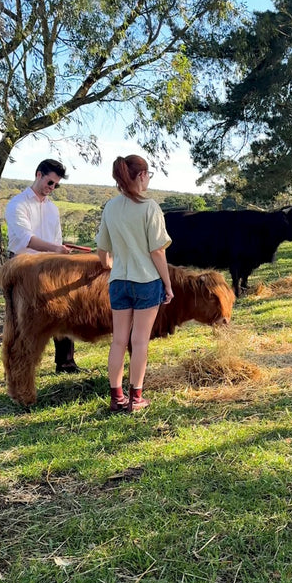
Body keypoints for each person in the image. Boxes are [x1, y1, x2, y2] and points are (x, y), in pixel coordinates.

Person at [96, 154, 173, 413]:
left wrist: (109, 264)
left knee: (118, 340)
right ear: (141, 175)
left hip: (118, 281)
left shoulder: (110, 207)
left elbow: (102, 250)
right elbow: (157, 252)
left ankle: (116, 397)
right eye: (148, 173)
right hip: (146, 281)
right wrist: (168, 284)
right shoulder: (150, 207)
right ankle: (136, 397)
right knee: (139, 342)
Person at [4, 158, 80, 374]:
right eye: (49, 183)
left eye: (56, 185)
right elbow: (26, 239)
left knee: (63, 312)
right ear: (38, 175)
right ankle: (19, 367)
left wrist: (60, 254)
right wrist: (56, 249)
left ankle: (66, 363)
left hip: (50, 266)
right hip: (23, 267)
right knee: (21, 318)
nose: (52, 188)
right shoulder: (17, 204)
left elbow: (56, 239)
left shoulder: (53, 209)